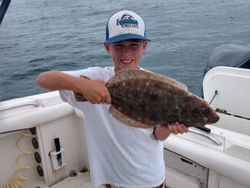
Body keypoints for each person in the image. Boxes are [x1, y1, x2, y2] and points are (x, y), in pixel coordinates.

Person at [36, 10, 188, 188]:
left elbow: (157, 135)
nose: (126, 53)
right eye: (119, 46)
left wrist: (167, 128)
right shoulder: (95, 77)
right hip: (109, 180)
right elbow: (44, 79)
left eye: (134, 45)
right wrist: (82, 85)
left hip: (149, 178)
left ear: (144, 46)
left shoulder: (155, 84)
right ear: (107, 47)